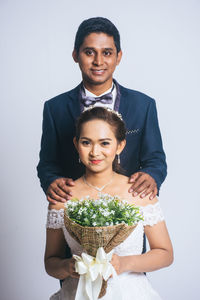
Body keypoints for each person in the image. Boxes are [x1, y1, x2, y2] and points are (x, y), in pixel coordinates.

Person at [45, 107, 173, 300]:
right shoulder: (63, 197)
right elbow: (50, 262)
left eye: (105, 143)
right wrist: (67, 267)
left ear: (120, 146)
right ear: (76, 144)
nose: (95, 152)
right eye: (86, 142)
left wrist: (125, 263)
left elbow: (165, 253)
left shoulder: (139, 192)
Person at [37, 17, 167, 205]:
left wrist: (152, 175)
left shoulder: (143, 105)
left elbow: (155, 159)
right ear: (75, 55)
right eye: (89, 52)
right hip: (75, 210)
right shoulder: (54, 108)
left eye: (107, 53)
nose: (98, 61)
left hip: (129, 206)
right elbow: (48, 163)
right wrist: (51, 180)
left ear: (118, 56)